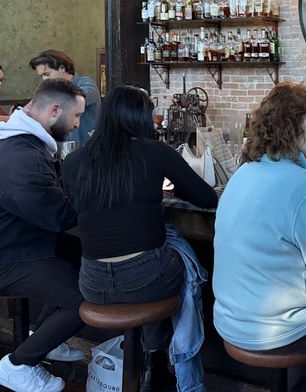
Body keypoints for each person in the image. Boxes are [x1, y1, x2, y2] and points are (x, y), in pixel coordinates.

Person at [62, 86, 218, 383]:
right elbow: (207, 198)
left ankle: (151, 362)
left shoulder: (74, 161)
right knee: (180, 255)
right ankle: (167, 361)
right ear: (141, 117)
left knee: (162, 250)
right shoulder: (156, 152)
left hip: (92, 283)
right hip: (146, 279)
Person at [213, 83, 306, 392]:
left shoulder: (243, 174)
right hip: (278, 333)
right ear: (291, 129)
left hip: (230, 321)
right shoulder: (305, 190)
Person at [0, 79, 87, 392]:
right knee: (86, 296)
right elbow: (58, 216)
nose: (77, 124)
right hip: (5, 256)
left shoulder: (24, 141)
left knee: (84, 257)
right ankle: (18, 365)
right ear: (54, 110)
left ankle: (47, 338)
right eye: (75, 117)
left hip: (18, 239)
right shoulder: (23, 158)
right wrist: (98, 196)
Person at [30, 49, 101, 148]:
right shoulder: (51, 92)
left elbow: (79, 97)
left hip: (88, 151)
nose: (44, 79)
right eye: (42, 76)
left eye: (47, 74)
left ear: (62, 68)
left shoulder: (86, 83)